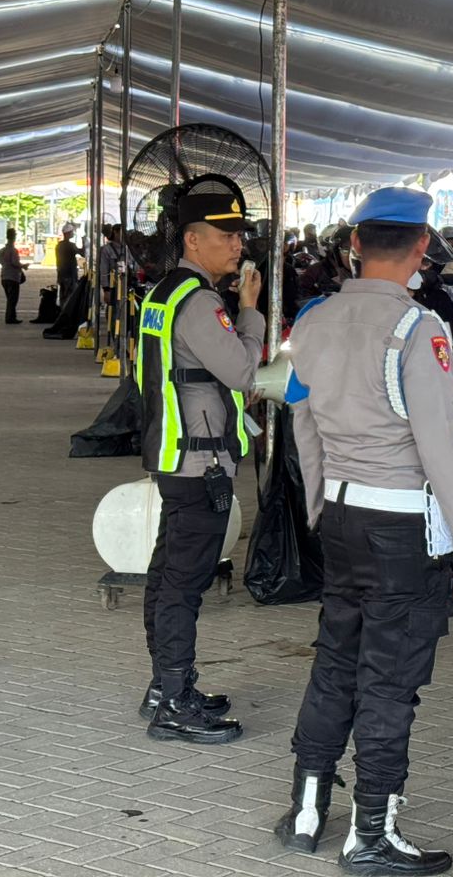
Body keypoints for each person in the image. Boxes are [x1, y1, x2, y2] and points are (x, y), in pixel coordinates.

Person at [276, 187, 453, 874]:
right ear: (422, 246)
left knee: (336, 660)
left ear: (355, 244)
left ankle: (306, 808)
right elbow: (440, 446)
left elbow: (299, 422)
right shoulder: (419, 328)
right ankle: (370, 833)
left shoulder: (311, 320)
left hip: (340, 514)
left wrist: (321, 506)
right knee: (390, 681)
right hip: (399, 524)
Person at [136, 179, 264, 745]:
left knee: (168, 575)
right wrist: (251, 313)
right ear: (192, 240)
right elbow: (243, 371)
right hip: (200, 463)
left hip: (176, 455)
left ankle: (164, 687)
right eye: (225, 235)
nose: (237, 244)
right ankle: (174, 701)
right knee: (183, 584)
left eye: (238, 234)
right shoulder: (200, 301)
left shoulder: (163, 292)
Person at [0, 226, 29, 324]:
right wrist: (23, 266)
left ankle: (12, 316)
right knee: (13, 299)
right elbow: (15, 262)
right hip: (13, 277)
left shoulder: (2, 250)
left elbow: (0, 261)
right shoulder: (13, 250)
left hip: (4, 276)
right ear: (14, 237)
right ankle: (10, 318)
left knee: (9, 298)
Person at [55, 223, 84, 306]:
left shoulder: (59, 245)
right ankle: (67, 311)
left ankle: (62, 310)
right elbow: (82, 253)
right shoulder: (71, 246)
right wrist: (84, 242)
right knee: (70, 296)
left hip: (61, 274)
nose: (73, 233)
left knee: (63, 295)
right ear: (68, 233)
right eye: (71, 232)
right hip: (70, 274)